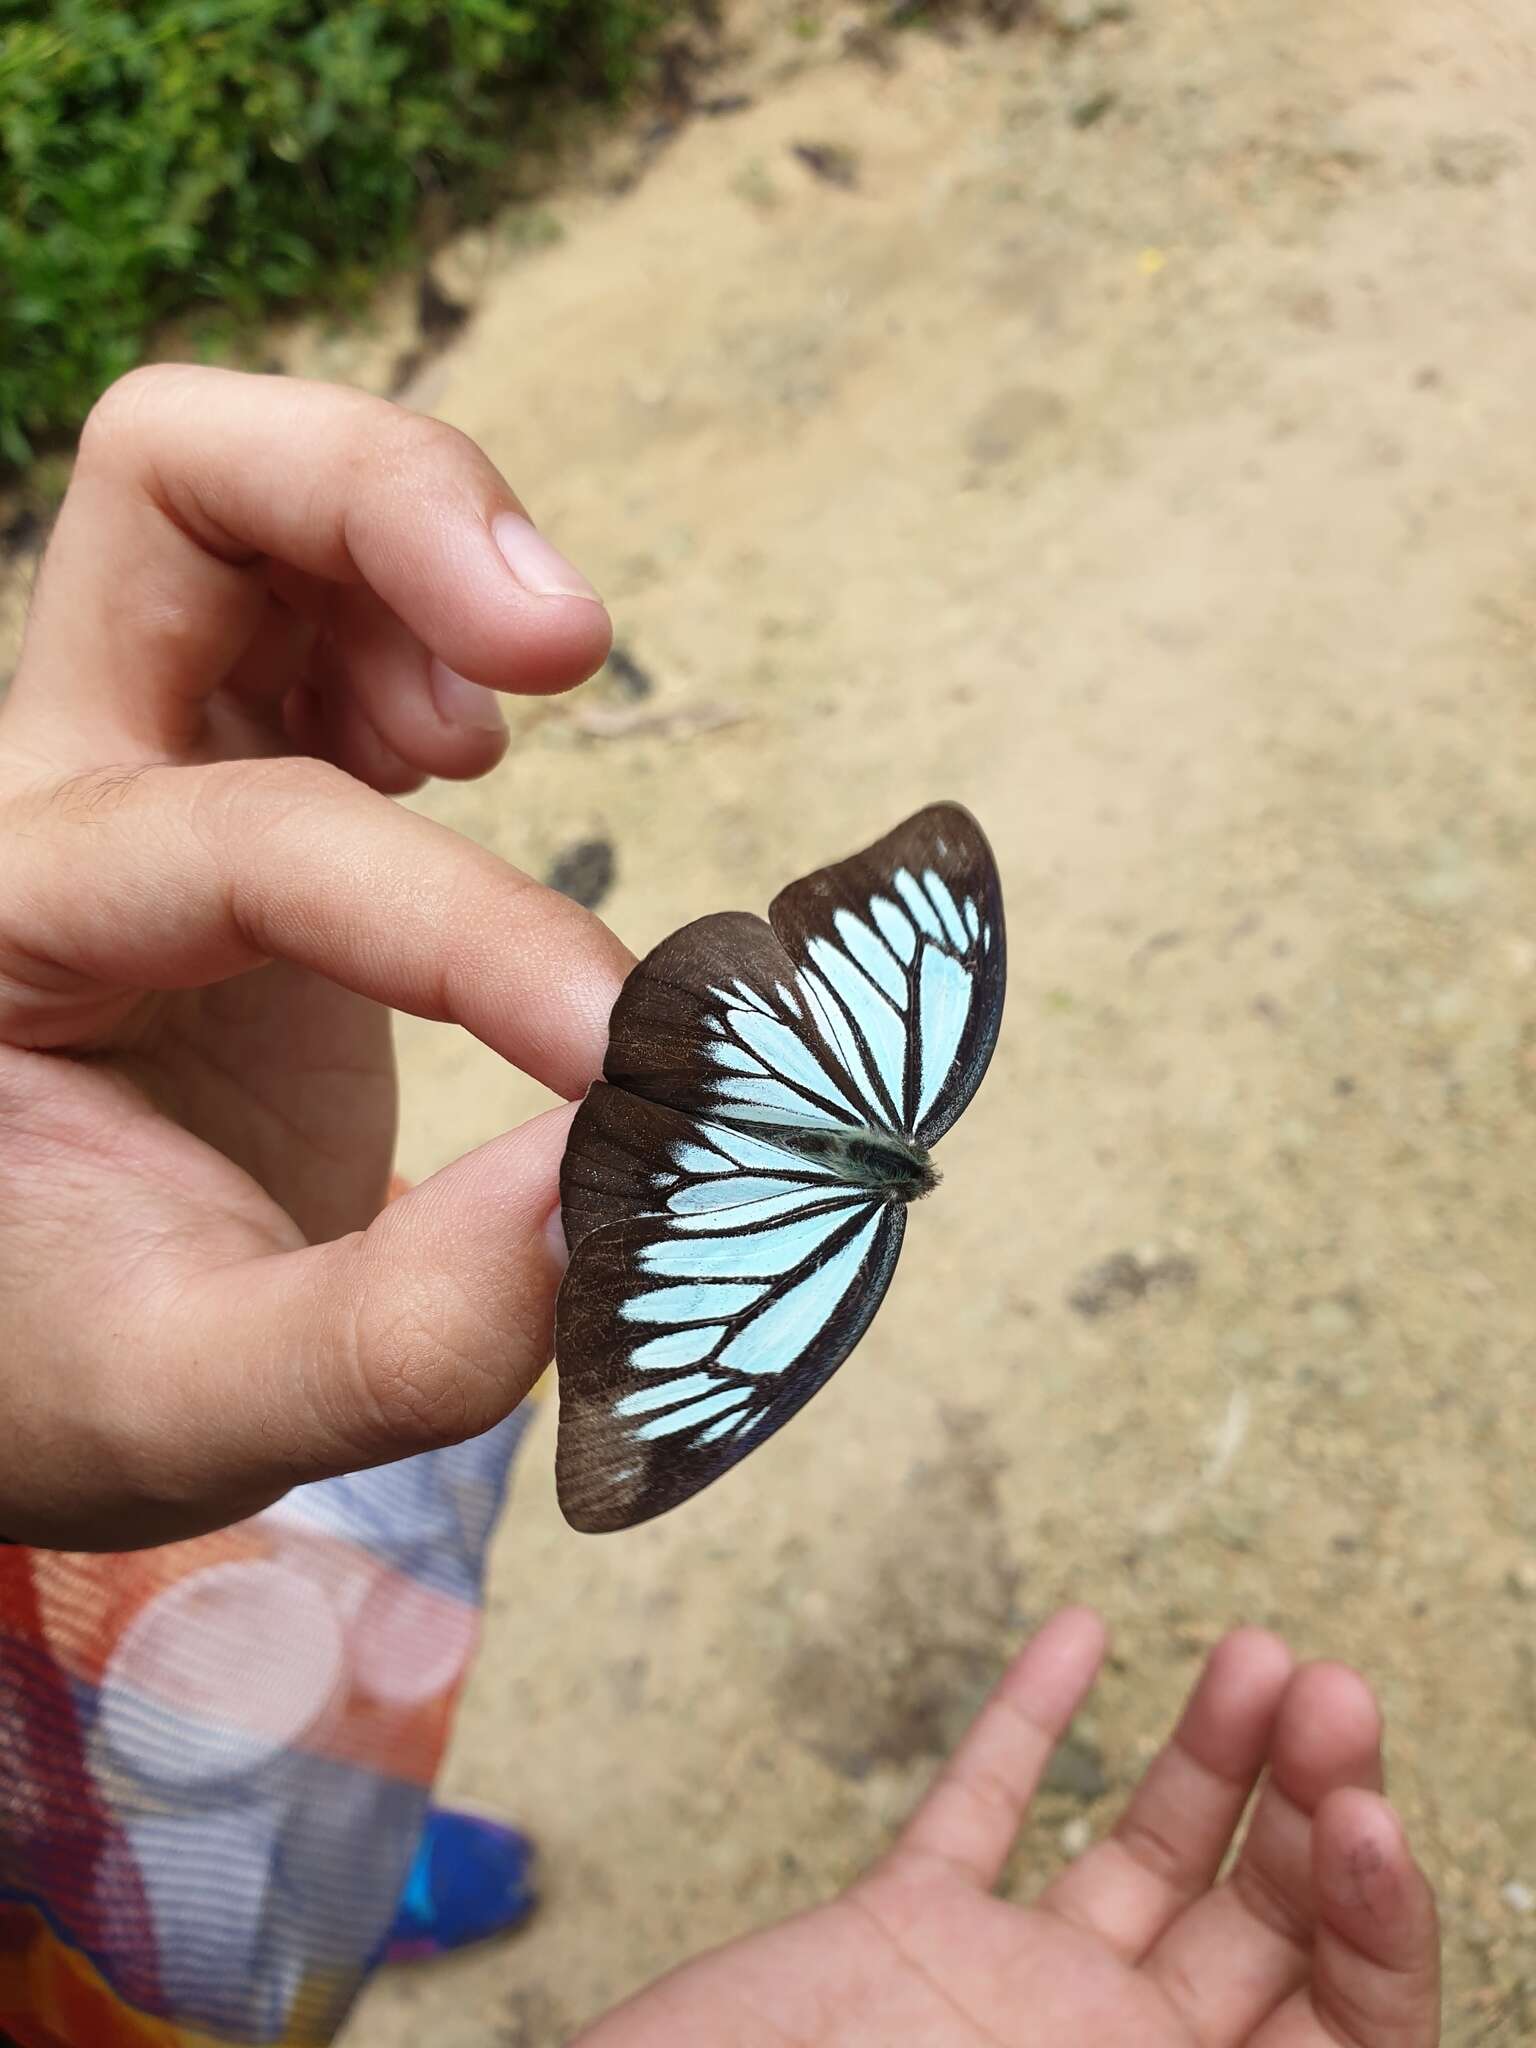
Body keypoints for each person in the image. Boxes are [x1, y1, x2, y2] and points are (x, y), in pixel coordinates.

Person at [0, 370, 1440, 2047]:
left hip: (730, 1081)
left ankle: (285, 1860)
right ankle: (256, 1882)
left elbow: (693, 1352)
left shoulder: (898, 1104)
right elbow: (688, 1376)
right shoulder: (872, 1204)